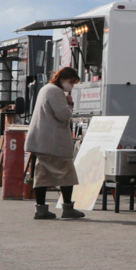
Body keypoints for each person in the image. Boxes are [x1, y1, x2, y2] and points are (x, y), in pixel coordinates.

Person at [27, 67, 85, 220]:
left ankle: (40, 209)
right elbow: (63, 115)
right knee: (67, 174)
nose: (71, 86)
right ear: (62, 79)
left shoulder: (46, 88)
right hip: (54, 142)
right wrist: (70, 105)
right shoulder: (56, 92)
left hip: (41, 141)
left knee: (42, 176)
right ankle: (68, 209)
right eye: (71, 82)